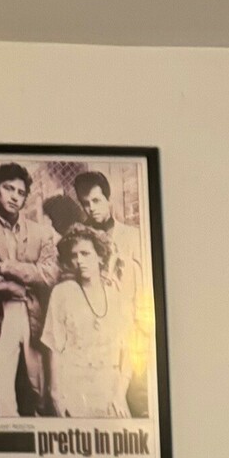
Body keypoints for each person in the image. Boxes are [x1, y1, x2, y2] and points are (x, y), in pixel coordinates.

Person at [0, 162, 57, 417]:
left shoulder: (41, 232)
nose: (15, 197)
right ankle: (10, 430)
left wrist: (9, 267)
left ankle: (43, 428)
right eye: (9, 189)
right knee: (1, 384)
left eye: (20, 192)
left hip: (33, 313)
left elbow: (50, 273)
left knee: (40, 385)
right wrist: (20, 289)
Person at [73, 169, 149, 414]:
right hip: (100, 335)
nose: (91, 209)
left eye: (96, 201)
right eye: (85, 203)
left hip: (132, 328)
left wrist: (142, 326)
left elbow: (145, 287)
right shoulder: (80, 242)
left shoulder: (133, 237)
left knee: (139, 396)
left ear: (108, 199)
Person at [40, 225, 133, 418]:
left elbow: (129, 352)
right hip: (74, 388)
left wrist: (119, 394)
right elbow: (54, 348)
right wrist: (55, 394)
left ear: (100, 257)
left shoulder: (116, 296)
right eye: (74, 256)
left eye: (85, 254)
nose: (80, 261)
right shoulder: (62, 293)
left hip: (110, 388)